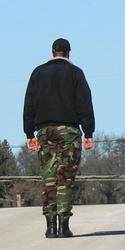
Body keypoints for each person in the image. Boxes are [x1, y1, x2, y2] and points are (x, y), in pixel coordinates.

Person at [23, 38, 95, 238]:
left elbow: (29, 104)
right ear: (69, 53)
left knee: (49, 177)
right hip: (69, 131)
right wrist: (88, 132)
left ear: (52, 52)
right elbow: (84, 103)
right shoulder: (75, 73)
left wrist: (29, 133)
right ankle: (63, 225)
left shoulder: (38, 73)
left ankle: (50, 226)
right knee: (65, 178)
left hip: (45, 131)